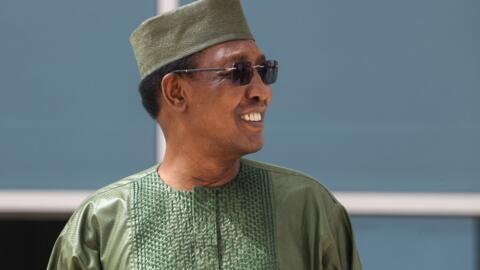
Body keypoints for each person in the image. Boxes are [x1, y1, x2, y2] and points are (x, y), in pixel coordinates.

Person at [47, 0, 362, 269]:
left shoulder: (307, 208)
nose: (262, 92)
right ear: (176, 92)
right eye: (237, 72)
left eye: (264, 71)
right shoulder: (102, 223)